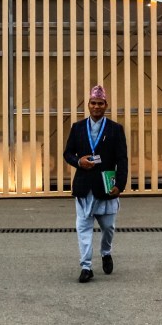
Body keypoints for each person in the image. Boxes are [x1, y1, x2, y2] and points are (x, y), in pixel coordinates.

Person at [63, 84, 128, 283]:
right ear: (88, 105)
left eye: (100, 103)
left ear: (106, 105)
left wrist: (121, 184)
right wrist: (78, 162)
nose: (97, 106)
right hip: (84, 186)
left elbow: (122, 159)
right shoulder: (78, 127)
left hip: (106, 186)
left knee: (108, 227)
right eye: (93, 103)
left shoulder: (115, 129)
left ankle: (106, 252)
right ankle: (86, 266)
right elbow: (67, 153)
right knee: (83, 228)